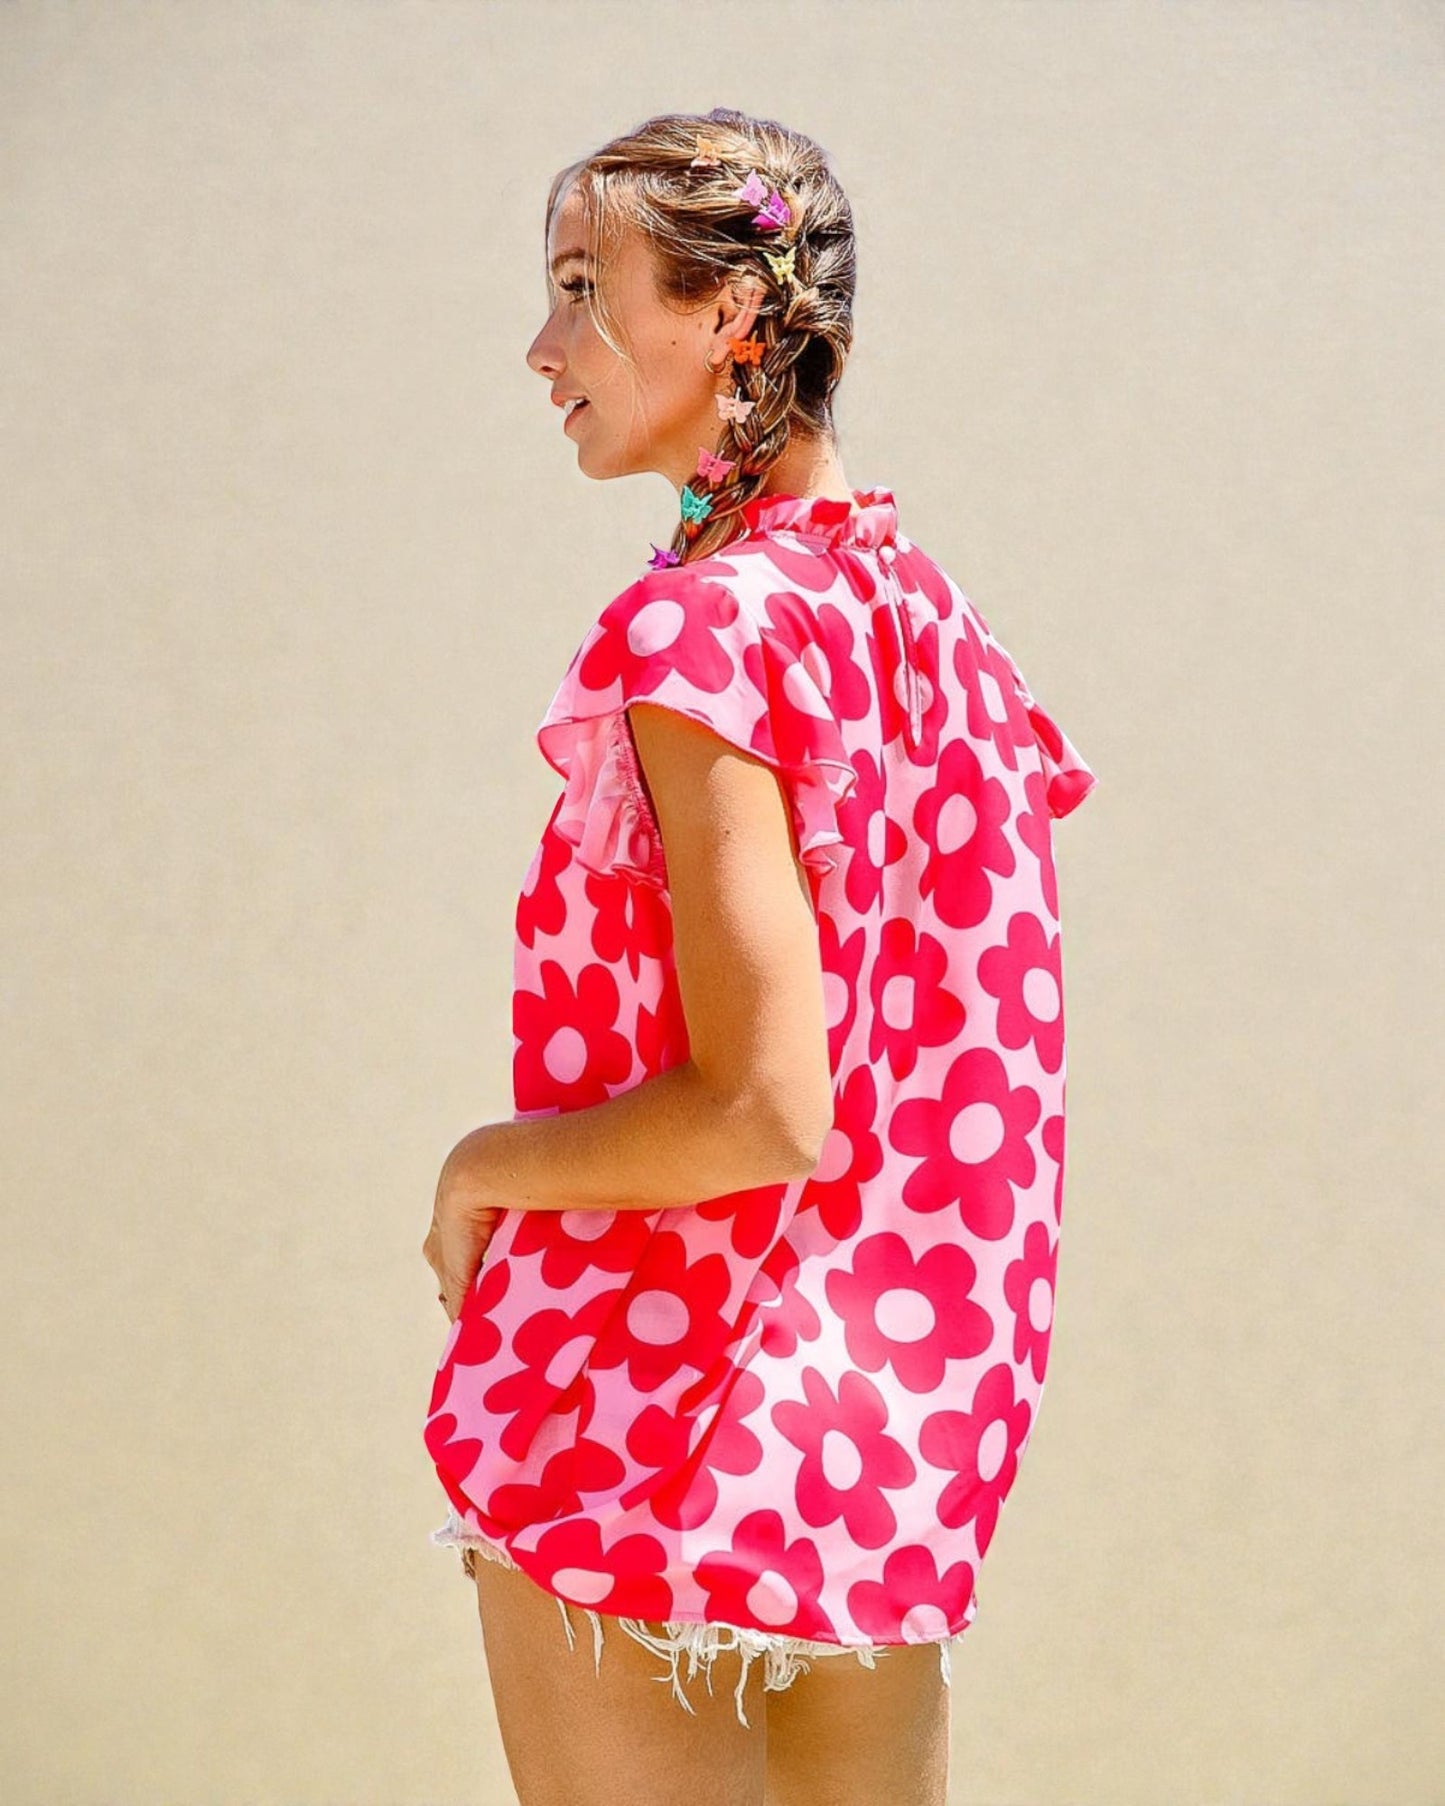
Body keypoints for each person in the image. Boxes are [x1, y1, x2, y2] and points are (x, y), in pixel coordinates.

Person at [421, 106, 1098, 1806]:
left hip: (645, 1403)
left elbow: (761, 1108)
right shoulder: (935, 628)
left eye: (584, 288)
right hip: (868, 1437)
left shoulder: (698, 627)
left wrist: (480, 1166)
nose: (540, 344)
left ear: (733, 317)